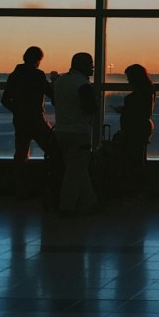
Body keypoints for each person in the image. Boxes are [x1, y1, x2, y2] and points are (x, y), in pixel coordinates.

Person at [1, 46, 54, 197]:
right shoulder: (37, 75)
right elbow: (50, 93)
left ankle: (21, 190)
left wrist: (18, 110)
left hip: (20, 119)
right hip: (36, 119)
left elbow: (5, 100)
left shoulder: (14, 75)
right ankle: (51, 185)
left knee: (21, 154)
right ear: (37, 60)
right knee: (52, 149)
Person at [52, 52, 98, 216]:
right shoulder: (82, 85)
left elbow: (55, 102)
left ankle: (90, 202)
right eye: (90, 64)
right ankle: (67, 206)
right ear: (83, 66)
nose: (93, 67)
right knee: (75, 172)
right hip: (79, 132)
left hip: (61, 131)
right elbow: (91, 108)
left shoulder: (61, 81)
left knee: (77, 169)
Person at [116, 64, 156, 192]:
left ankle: (135, 190)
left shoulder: (134, 96)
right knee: (139, 159)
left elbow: (132, 114)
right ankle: (139, 191)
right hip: (144, 127)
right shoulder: (149, 91)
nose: (128, 80)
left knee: (134, 161)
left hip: (134, 130)